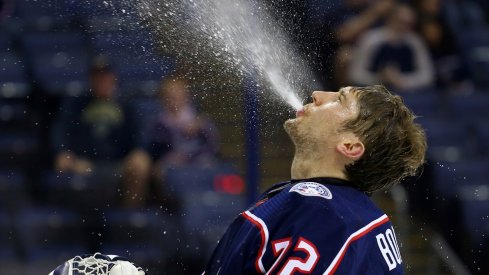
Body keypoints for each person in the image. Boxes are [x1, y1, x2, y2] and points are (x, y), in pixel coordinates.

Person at [204, 85, 426, 274]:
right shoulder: (352, 214)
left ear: (349, 146)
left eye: (340, 99)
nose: (317, 94)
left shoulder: (322, 214)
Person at [51, 56, 151, 208]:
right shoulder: (76, 105)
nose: (101, 80)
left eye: (105, 76)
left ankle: (130, 219)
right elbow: (61, 131)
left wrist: (138, 151)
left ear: (113, 78)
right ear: (90, 79)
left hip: (118, 163)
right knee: (63, 163)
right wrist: (63, 152)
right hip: (84, 163)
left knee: (141, 163)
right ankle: (74, 221)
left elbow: (140, 134)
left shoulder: (126, 105)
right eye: (97, 77)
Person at [349, 4, 434, 92]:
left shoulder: (415, 42)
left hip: (408, 94)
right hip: (374, 93)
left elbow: (427, 76)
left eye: (409, 24)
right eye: (401, 22)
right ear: (390, 19)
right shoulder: (371, 39)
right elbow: (355, 74)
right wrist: (380, 79)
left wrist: (402, 80)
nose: (403, 27)